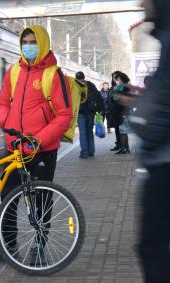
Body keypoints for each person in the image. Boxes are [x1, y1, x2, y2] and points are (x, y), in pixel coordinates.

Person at [0, 25, 72, 262]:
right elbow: (2, 100)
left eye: (33, 41)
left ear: (42, 43)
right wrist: (5, 122)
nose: (29, 46)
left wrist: (39, 139)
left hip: (42, 150)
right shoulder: (14, 72)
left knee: (41, 201)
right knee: (8, 199)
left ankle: (39, 248)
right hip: (15, 149)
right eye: (25, 42)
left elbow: (64, 115)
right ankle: (7, 247)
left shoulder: (54, 75)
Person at [125, 0, 170, 281]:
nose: (141, 3)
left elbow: (166, 105)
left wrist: (143, 128)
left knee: (151, 246)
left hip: (164, 161)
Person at [75, 71, 100, 158]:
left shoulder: (75, 85)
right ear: (84, 77)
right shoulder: (90, 85)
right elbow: (97, 95)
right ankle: (91, 151)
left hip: (80, 111)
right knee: (89, 131)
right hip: (90, 111)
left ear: (76, 77)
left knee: (82, 132)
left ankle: (84, 153)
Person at [112, 72, 131, 154]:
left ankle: (124, 148)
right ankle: (126, 147)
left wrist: (115, 90)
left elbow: (116, 99)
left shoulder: (122, 87)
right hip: (126, 110)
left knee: (122, 130)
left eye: (117, 79)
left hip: (122, 111)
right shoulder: (127, 87)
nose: (116, 80)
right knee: (124, 130)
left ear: (121, 79)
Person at [109, 71, 124, 151]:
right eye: (113, 77)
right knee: (117, 129)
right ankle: (118, 144)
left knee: (121, 129)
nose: (114, 79)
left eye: (116, 77)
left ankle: (123, 146)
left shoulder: (121, 86)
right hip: (113, 111)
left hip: (120, 111)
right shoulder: (113, 86)